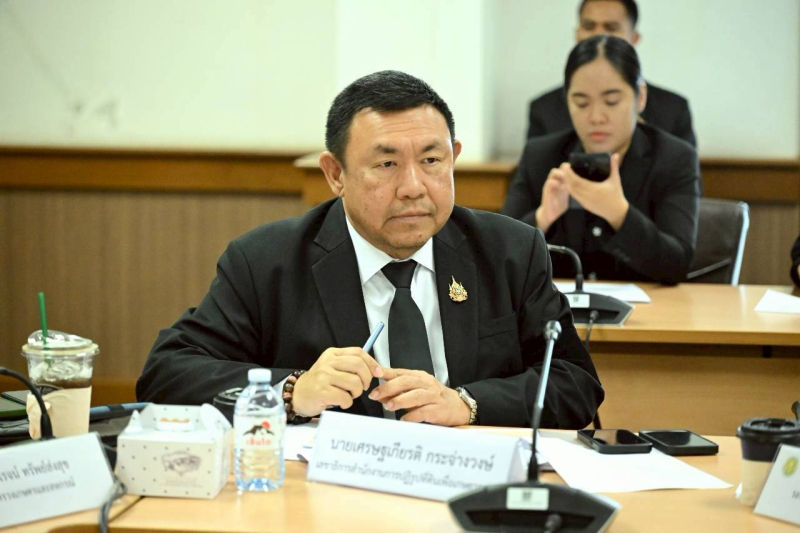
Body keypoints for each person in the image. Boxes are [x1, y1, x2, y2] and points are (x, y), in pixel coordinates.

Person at [136, 70, 604, 429]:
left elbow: (576, 385)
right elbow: (168, 374)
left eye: (432, 160)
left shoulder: (509, 251)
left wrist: (467, 403)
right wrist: (292, 391)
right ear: (335, 174)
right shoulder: (266, 262)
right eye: (386, 164)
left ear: (454, 159)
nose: (413, 187)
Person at [502, 36, 700, 285]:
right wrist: (542, 218)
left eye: (611, 101)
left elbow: (677, 265)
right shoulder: (540, 156)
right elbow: (498, 254)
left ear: (640, 98)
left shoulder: (674, 158)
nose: (596, 117)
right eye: (581, 102)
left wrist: (619, 213)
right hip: (556, 307)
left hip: (648, 307)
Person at [527, 0, 696, 147]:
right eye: (588, 26)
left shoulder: (673, 110)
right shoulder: (544, 109)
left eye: (611, 27)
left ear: (634, 38)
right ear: (577, 34)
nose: (599, 36)